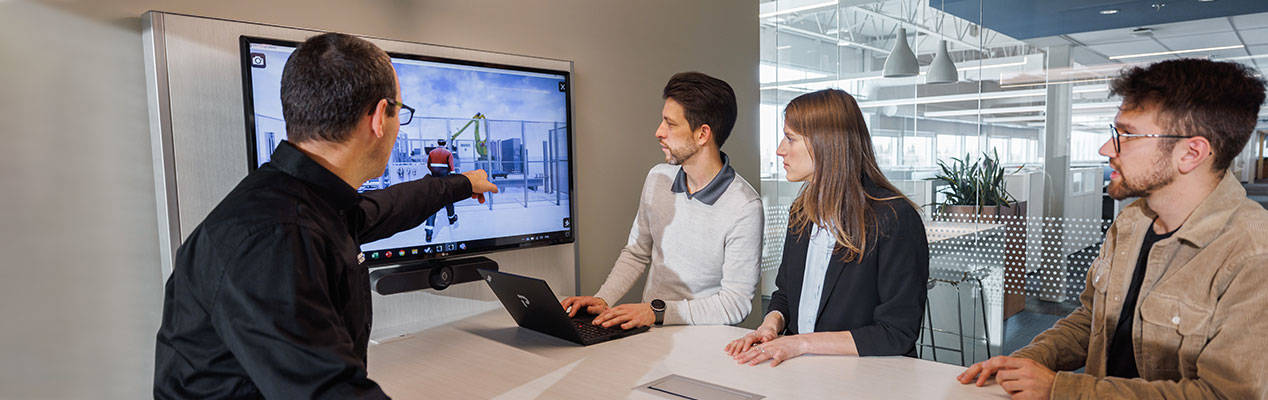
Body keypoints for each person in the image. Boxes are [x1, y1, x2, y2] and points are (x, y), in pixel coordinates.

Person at [153, 33, 498, 398]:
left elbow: (387, 207)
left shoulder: (301, 200)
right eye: (401, 112)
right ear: (380, 117)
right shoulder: (275, 238)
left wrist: (463, 183)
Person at [957, 59, 1268, 399]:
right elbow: (1093, 320)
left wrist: (1060, 389)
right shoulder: (1132, 222)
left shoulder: (1252, 253)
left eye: (1128, 135)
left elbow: (1223, 395)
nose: (1107, 148)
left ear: (1191, 153)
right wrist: (1028, 360)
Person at [724, 88, 929, 366]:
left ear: (826, 144)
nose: (780, 149)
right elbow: (784, 293)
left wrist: (799, 343)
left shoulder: (894, 217)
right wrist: (770, 326)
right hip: (804, 372)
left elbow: (896, 332)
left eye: (790, 138)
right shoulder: (801, 213)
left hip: (869, 379)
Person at [560, 72, 763, 329]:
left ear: (702, 134)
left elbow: (735, 304)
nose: (659, 132)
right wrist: (603, 298)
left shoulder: (744, 207)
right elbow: (636, 253)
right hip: (651, 332)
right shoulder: (658, 178)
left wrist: (658, 312)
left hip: (703, 346)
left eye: (670, 124)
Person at [425, 138, 458, 242]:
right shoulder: (448, 153)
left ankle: (429, 233)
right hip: (445, 179)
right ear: (445, 144)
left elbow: (429, 166)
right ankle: (451, 218)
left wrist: (435, 174)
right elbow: (452, 169)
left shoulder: (431, 152)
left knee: (433, 205)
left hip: (434, 180)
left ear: (438, 143)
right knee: (448, 199)